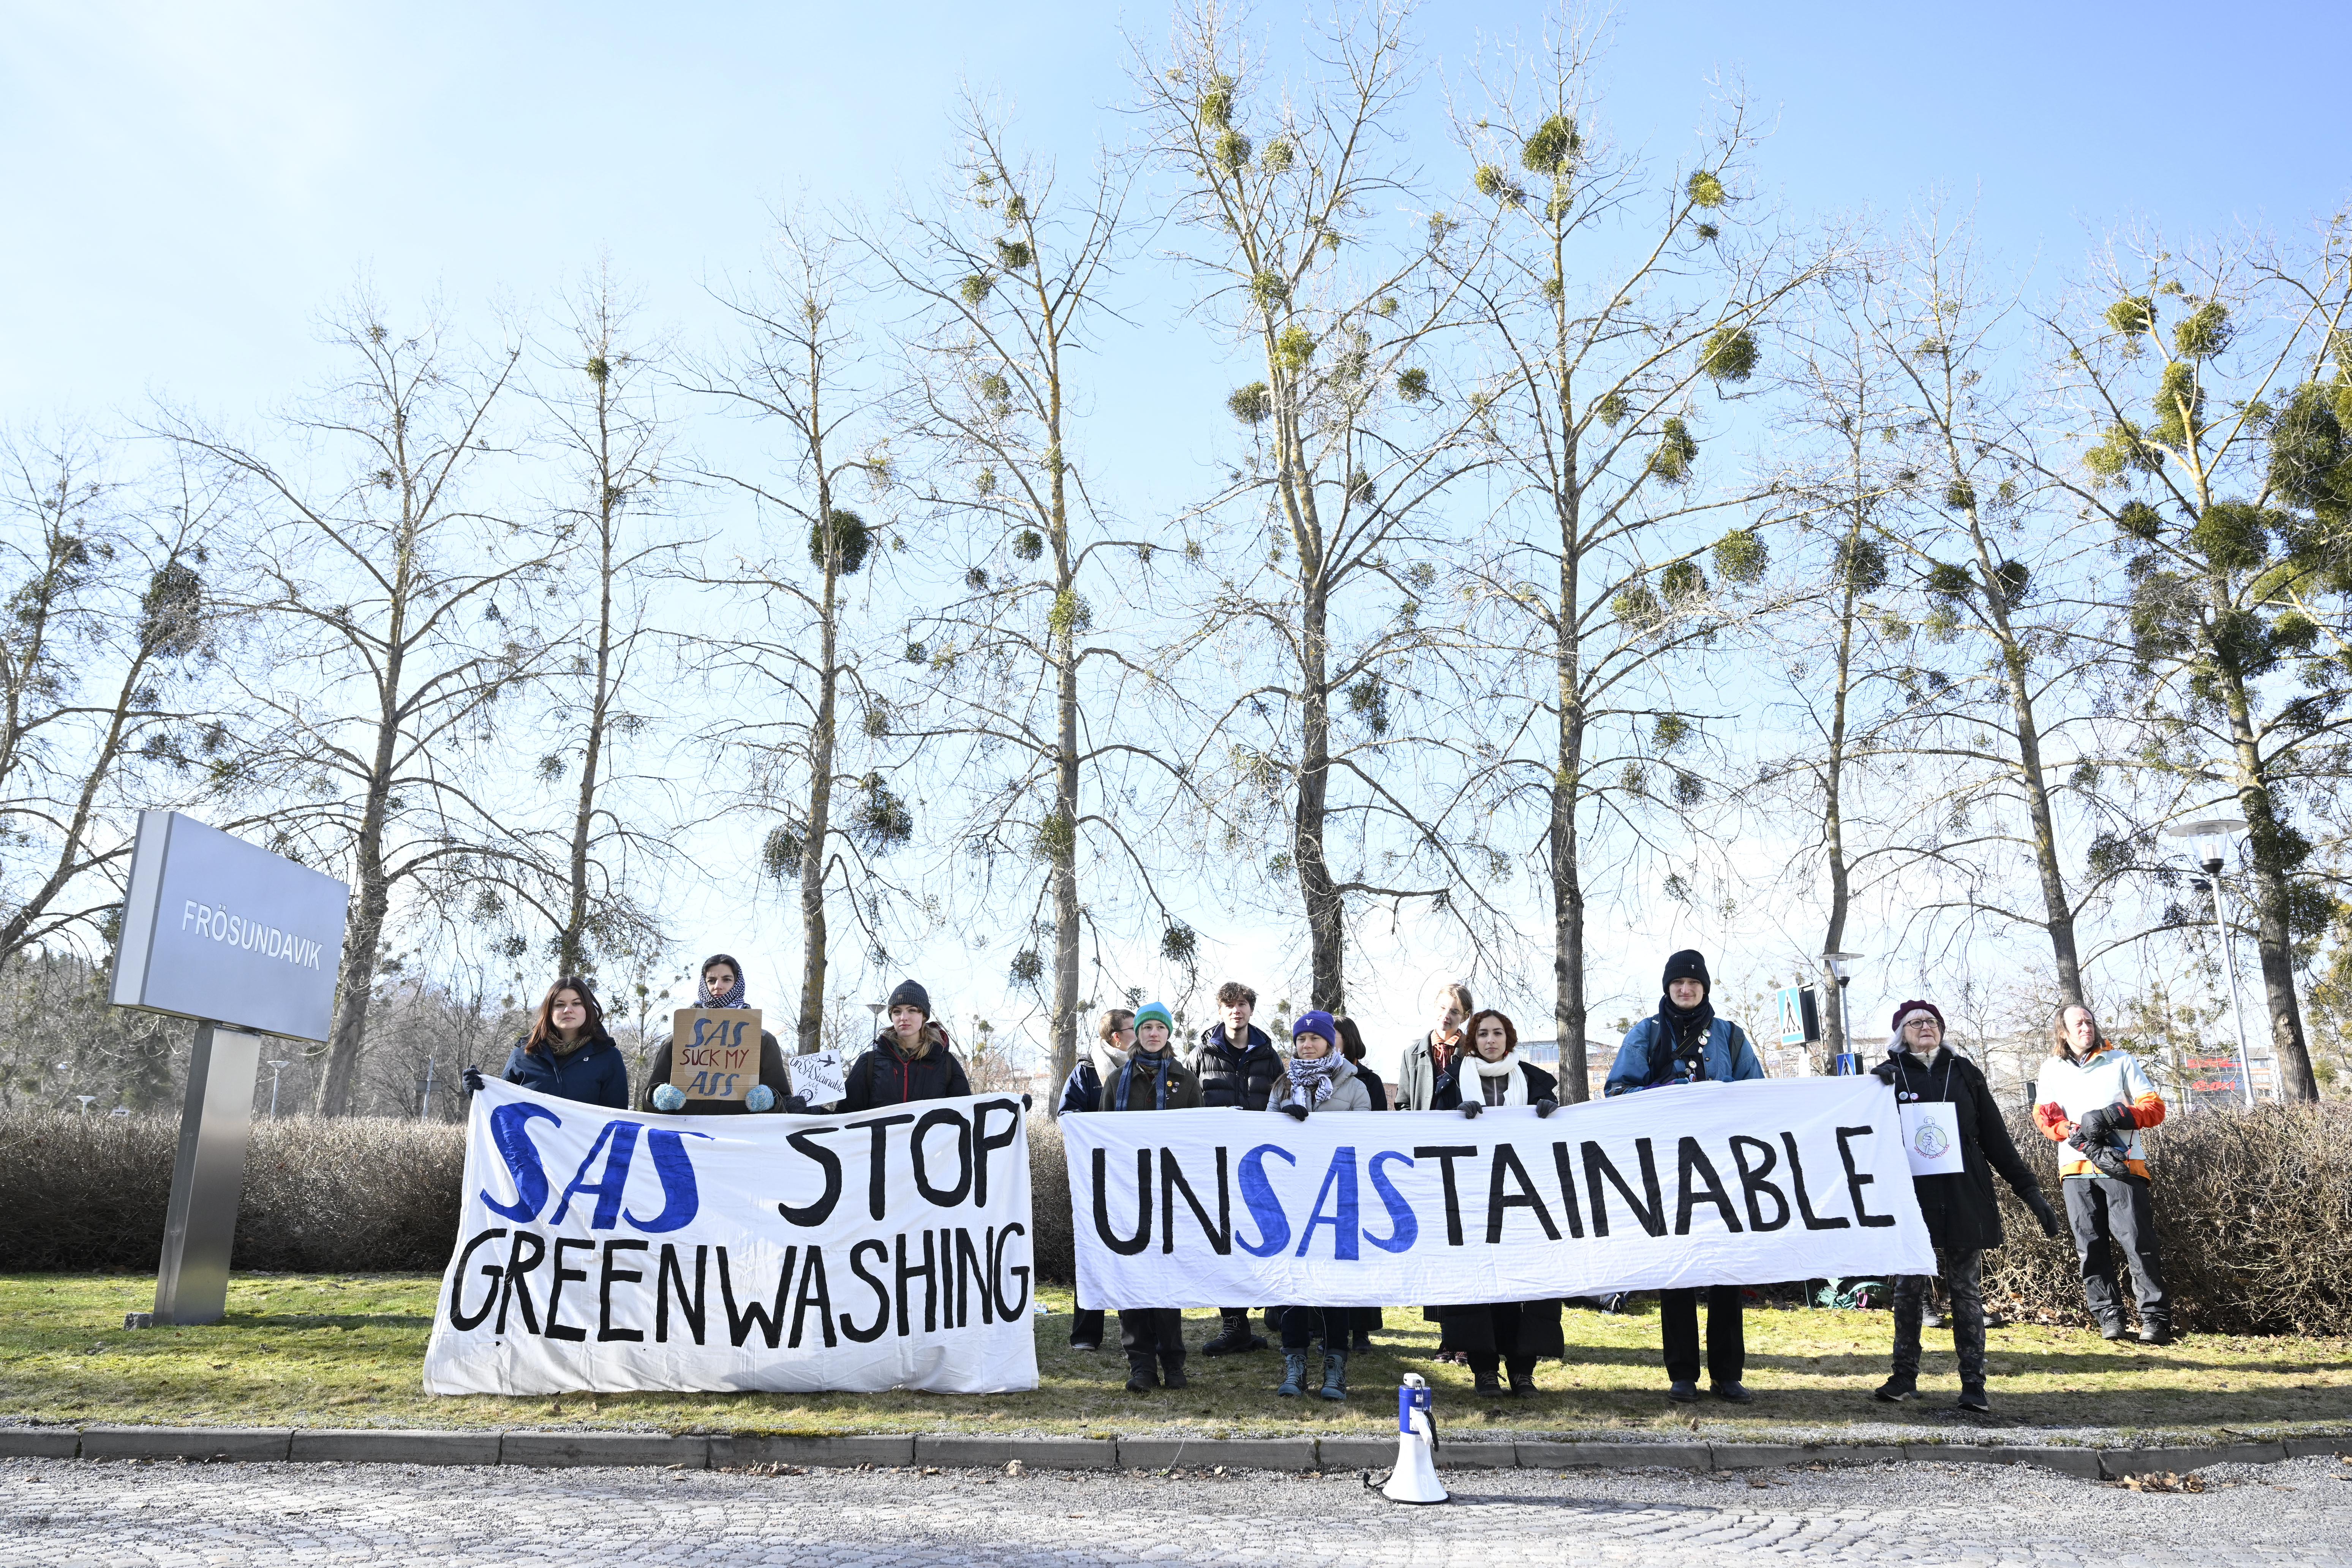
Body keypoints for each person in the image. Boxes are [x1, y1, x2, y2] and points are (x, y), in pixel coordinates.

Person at [1870, 1000, 2062, 1412]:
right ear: (1900, 1033)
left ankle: (1974, 1384)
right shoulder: (1884, 1081)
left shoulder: (1966, 1075)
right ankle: (1904, 1376)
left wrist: (2031, 1193)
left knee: (1966, 1294)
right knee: (1907, 1291)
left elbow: (1996, 1140)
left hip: (1964, 1196)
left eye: (1932, 1021)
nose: (1926, 1027)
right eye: (1915, 1022)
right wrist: (1873, 1091)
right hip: (1912, 1200)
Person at [1605, 948, 1765, 1405]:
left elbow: (1758, 1095)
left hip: (1723, 1167)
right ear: (1668, 987)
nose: (1686, 989)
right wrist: (1662, 1090)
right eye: (1678, 983)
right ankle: (1681, 1374)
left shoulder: (1731, 1037)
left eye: (1694, 983)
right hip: (1667, 1167)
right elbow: (1617, 1090)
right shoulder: (1647, 1033)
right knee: (1676, 1271)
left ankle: (1728, 1374)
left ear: (1705, 988)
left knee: (1725, 1272)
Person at [1429, 1008, 1565, 1398]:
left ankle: (1523, 1371)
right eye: (1484, 1034)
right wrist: (1452, 1118)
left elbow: (1558, 1136)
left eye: (1499, 1034)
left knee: (1526, 1287)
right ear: (1473, 1040)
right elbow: (1431, 1129)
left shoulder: (1536, 1082)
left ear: (1510, 1039)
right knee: (1479, 1287)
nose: (1491, 1041)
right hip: (1472, 1202)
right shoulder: (1452, 1083)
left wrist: (1549, 1113)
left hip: (1525, 1202)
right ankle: (1485, 1370)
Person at [2034, 1002, 2173, 1345]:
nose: (2086, 1028)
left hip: (2124, 1167)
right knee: (2089, 1246)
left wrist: (2112, 1116)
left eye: (2090, 1022)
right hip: (2075, 1169)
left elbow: (2154, 1109)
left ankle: (2154, 1319)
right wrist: (2069, 1130)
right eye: (2078, 1024)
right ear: (2063, 1033)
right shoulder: (2051, 1069)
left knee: (2138, 1242)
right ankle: (2109, 1317)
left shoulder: (2121, 1061)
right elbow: (2044, 1117)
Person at [1097, 1001, 1202, 1393]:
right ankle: (1140, 1364)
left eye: (1159, 1027)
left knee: (1166, 1282)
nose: (1153, 1034)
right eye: (1146, 1028)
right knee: (1132, 1280)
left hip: (1171, 1194)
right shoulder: (1116, 1082)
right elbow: (1102, 1140)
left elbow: (1198, 1140)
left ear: (1168, 1034)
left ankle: (1174, 1363)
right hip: (1126, 1194)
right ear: (1136, 1035)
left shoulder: (1186, 1081)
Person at [1264, 1011, 1370, 1400]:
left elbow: (1365, 1137)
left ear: (1330, 1042)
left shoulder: (1355, 1087)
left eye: (1314, 1038)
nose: (1306, 1045)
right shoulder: (1281, 1086)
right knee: (1294, 1283)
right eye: (1301, 1039)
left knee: (1332, 1286)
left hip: (1338, 1200)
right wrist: (1284, 1124)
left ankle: (1334, 1366)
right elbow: (1265, 1139)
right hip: (1292, 1200)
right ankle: (1294, 1362)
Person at [1194, 980, 1280, 1357]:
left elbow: (1283, 1098)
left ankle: (1276, 1314)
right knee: (1223, 1242)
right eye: (1229, 1004)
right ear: (1220, 1011)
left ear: (1251, 1010)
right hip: (1215, 1165)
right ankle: (1234, 1324)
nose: (1236, 1010)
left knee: (1263, 1238)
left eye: (1243, 1003)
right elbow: (1188, 1108)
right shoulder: (1200, 1056)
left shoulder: (1269, 1056)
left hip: (1261, 1166)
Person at [1057, 1006, 1138, 1354]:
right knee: (1092, 1251)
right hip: (1096, 1175)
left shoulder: (1144, 1069)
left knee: (1133, 1249)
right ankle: (1086, 1334)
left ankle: (1134, 1331)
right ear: (1116, 1037)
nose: (1141, 1034)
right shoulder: (1086, 1071)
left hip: (1135, 1175)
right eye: (1134, 1029)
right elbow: (1067, 1116)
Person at [637, 954, 793, 1115]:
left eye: (727, 980)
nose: (718, 986)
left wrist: (770, 1100)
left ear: (737, 983)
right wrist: (658, 1097)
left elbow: (783, 1101)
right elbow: (649, 1101)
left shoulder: (763, 1041)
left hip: (739, 1136)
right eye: (711, 980)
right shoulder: (677, 1040)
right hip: (687, 1135)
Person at [480, 976, 630, 1108]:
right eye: (560, 1005)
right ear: (549, 1011)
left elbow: (616, 1118)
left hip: (584, 1141)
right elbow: (499, 1105)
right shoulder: (523, 1053)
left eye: (576, 1003)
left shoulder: (608, 1057)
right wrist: (480, 1091)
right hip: (530, 1140)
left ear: (588, 1009)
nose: (568, 1010)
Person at [1331, 1015, 1388, 1353]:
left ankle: (1362, 1330)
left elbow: (1377, 1126)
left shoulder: (1371, 1081)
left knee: (1359, 1254)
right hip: (1324, 1175)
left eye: (1332, 1036)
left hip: (1359, 1174)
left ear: (1347, 1040)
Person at [842, 979, 972, 1110]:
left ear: (924, 1016)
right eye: (897, 1011)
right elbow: (844, 1116)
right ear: (892, 1016)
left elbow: (966, 1114)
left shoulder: (946, 1064)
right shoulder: (869, 1063)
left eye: (912, 1010)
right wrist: (820, 1112)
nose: (904, 1017)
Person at [1395, 981, 1473, 1111]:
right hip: (1423, 1130)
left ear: (1465, 1017)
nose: (1446, 1016)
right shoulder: (1411, 1055)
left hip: (1461, 1129)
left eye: (1454, 1012)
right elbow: (1403, 1104)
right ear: (1435, 1005)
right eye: (1443, 1008)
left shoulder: (1473, 1053)